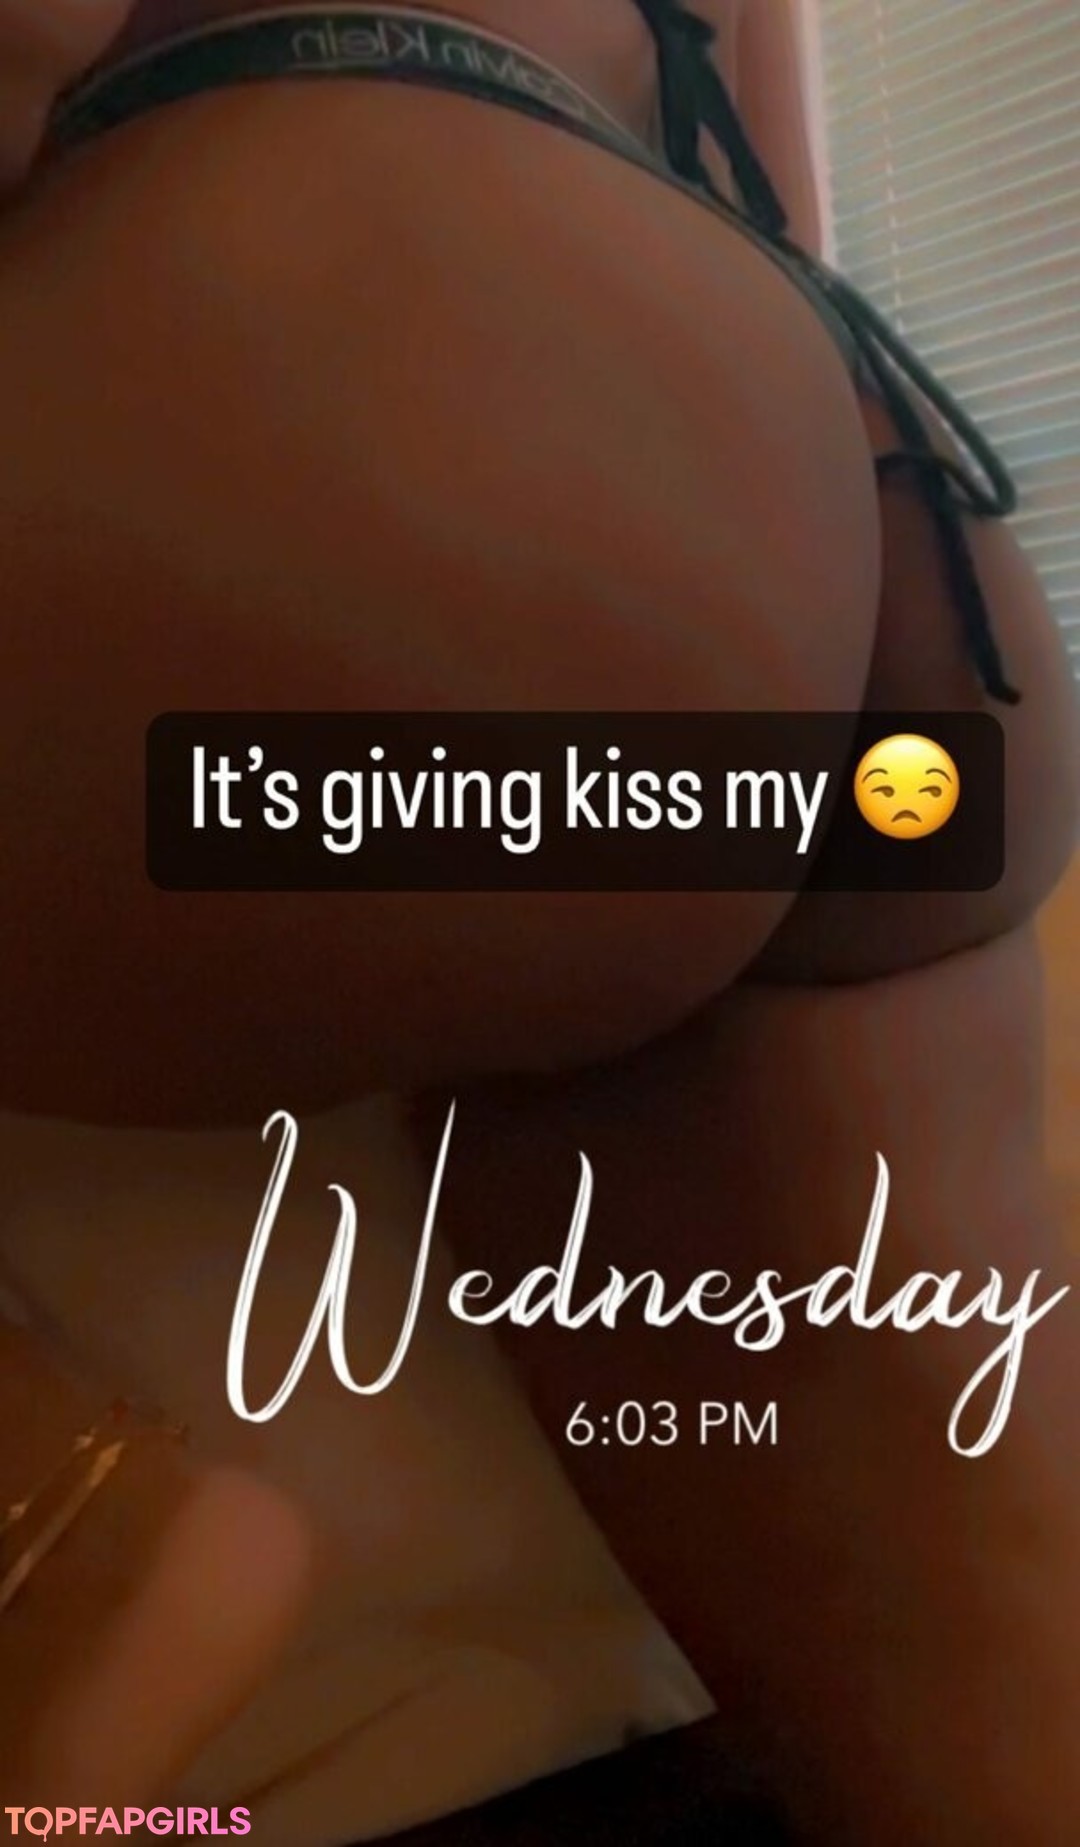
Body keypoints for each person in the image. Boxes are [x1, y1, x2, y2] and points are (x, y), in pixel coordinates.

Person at [1, 1, 1078, 1840]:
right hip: (867, 590)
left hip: (415, 462)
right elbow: (763, 201)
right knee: (985, 1638)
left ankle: (60, 1547)